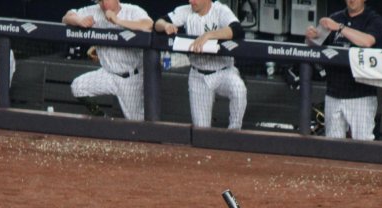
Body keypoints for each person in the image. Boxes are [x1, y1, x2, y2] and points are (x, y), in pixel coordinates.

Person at [154, 0, 247, 130]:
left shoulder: (220, 10)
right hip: (198, 76)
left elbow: (237, 30)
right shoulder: (185, 10)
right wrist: (165, 25)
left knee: (239, 89)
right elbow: (157, 23)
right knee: (201, 131)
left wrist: (209, 35)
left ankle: (234, 131)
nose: (191, 1)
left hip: (224, 71)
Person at [304, 0, 382, 141]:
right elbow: (315, 45)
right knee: (333, 146)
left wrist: (339, 28)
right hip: (334, 92)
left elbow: (367, 42)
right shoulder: (335, 17)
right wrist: (310, 37)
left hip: (361, 95)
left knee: (363, 144)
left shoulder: (373, 18)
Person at [63, 0, 154, 121]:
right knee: (78, 86)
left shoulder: (132, 10)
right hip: (108, 74)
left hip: (131, 77)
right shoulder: (93, 11)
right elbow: (66, 17)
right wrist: (79, 21)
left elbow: (148, 24)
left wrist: (118, 21)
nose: (104, 4)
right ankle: (103, 119)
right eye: (101, 1)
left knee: (137, 123)